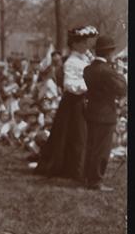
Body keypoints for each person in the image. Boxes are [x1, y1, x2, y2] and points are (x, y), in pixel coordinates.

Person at [36, 26, 98, 180]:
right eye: (83, 42)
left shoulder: (85, 59)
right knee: (76, 135)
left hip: (81, 101)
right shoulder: (71, 62)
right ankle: (72, 169)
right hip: (73, 102)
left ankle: (77, 167)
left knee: (79, 134)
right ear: (75, 44)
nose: (86, 45)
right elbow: (69, 85)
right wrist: (89, 85)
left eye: (86, 42)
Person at [83, 35, 127, 191]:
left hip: (91, 111)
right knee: (101, 149)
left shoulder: (88, 70)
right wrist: (120, 72)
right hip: (106, 113)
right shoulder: (108, 71)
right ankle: (96, 181)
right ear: (109, 53)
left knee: (91, 146)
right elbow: (122, 89)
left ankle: (87, 177)